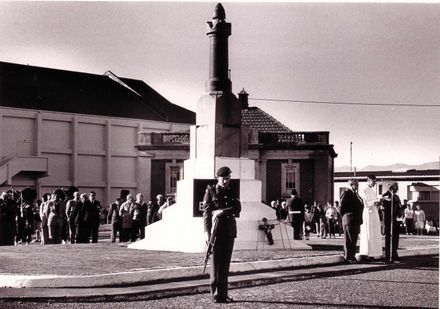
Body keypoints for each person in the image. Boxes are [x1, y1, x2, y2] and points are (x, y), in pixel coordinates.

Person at [203, 166, 241, 304]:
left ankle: (224, 294)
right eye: (224, 178)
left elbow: (238, 208)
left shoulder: (231, 190)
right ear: (217, 178)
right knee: (216, 263)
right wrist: (206, 233)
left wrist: (221, 211)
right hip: (216, 231)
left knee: (225, 264)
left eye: (228, 178)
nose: (226, 181)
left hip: (229, 230)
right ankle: (216, 294)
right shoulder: (211, 191)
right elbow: (206, 213)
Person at [358, 175, 383, 261]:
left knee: (374, 233)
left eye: (375, 181)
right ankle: (366, 253)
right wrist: (376, 201)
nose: (375, 183)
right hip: (368, 213)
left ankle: (373, 254)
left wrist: (379, 202)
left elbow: (374, 202)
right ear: (369, 180)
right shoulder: (363, 189)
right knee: (368, 233)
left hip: (374, 213)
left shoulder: (372, 190)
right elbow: (366, 203)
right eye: (373, 181)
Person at [340, 179, 364, 264]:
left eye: (357, 185)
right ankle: (348, 257)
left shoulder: (355, 194)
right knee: (349, 239)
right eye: (356, 185)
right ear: (350, 184)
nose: (357, 186)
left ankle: (352, 256)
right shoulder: (346, 193)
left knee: (353, 239)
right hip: (349, 219)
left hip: (355, 220)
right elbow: (341, 208)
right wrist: (346, 217)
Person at [381, 181, 403, 263]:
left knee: (395, 237)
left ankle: (394, 253)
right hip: (388, 220)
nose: (397, 189)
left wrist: (401, 209)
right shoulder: (386, 196)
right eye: (396, 187)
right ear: (392, 187)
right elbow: (384, 209)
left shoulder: (396, 197)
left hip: (396, 220)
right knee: (389, 237)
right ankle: (388, 254)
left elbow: (398, 207)